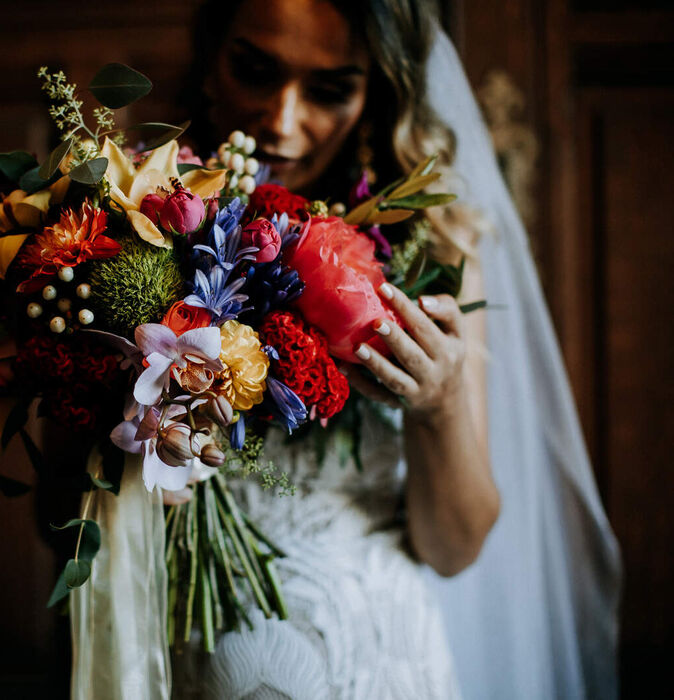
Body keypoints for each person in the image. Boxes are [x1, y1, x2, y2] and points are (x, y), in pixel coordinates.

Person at [159, 0, 622, 698]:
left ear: (381, 87)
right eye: (255, 70)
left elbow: (454, 549)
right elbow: (56, 518)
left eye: (329, 89)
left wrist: (438, 408)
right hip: (171, 659)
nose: (283, 121)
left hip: (374, 664)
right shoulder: (134, 219)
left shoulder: (433, 245)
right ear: (210, 56)